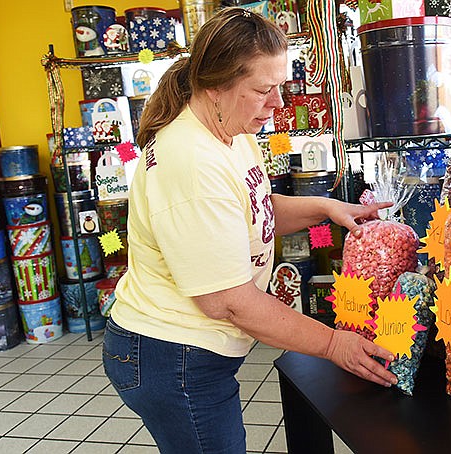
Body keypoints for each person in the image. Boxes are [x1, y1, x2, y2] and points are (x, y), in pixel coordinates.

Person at [102, 7, 397, 453]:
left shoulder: (230, 128)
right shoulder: (191, 163)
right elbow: (230, 303)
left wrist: (328, 208)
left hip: (190, 349)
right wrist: (334, 344)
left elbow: (253, 206)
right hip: (170, 353)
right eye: (263, 89)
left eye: (279, 86)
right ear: (215, 86)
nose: (277, 104)